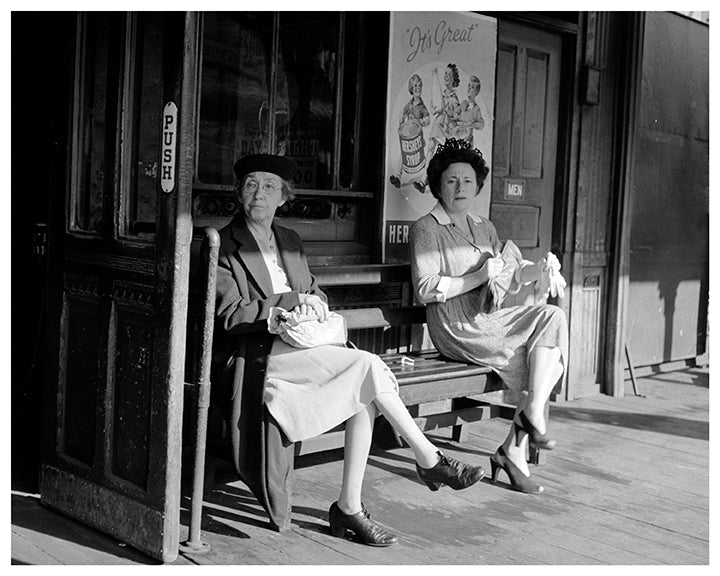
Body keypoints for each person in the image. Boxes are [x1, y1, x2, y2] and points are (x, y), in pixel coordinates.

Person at [213, 153, 485, 547]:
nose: (259, 193)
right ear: (240, 192)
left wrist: (315, 303)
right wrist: (287, 302)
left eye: (270, 186)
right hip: (256, 356)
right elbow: (229, 315)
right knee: (367, 367)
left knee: (365, 392)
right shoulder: (223, 243)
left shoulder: (288, 240)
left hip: (299, 347)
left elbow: (312, 290)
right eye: (251, 184)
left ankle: (350, 506)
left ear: (283, 197)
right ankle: (429, 460)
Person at [409, 138, 568, 495]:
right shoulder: (427, 228)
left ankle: (521, 434)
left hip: (486, 320)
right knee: (547, 360)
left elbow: (507, 275)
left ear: (478, 185)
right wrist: (478, 277)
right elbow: (426, 288)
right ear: (438, 185)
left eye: (467, 180)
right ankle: (516, 447)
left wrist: (538, 269)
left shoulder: (484, 227)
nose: (460, 187)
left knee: (552, 320)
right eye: (451, 180)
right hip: (455, 326)